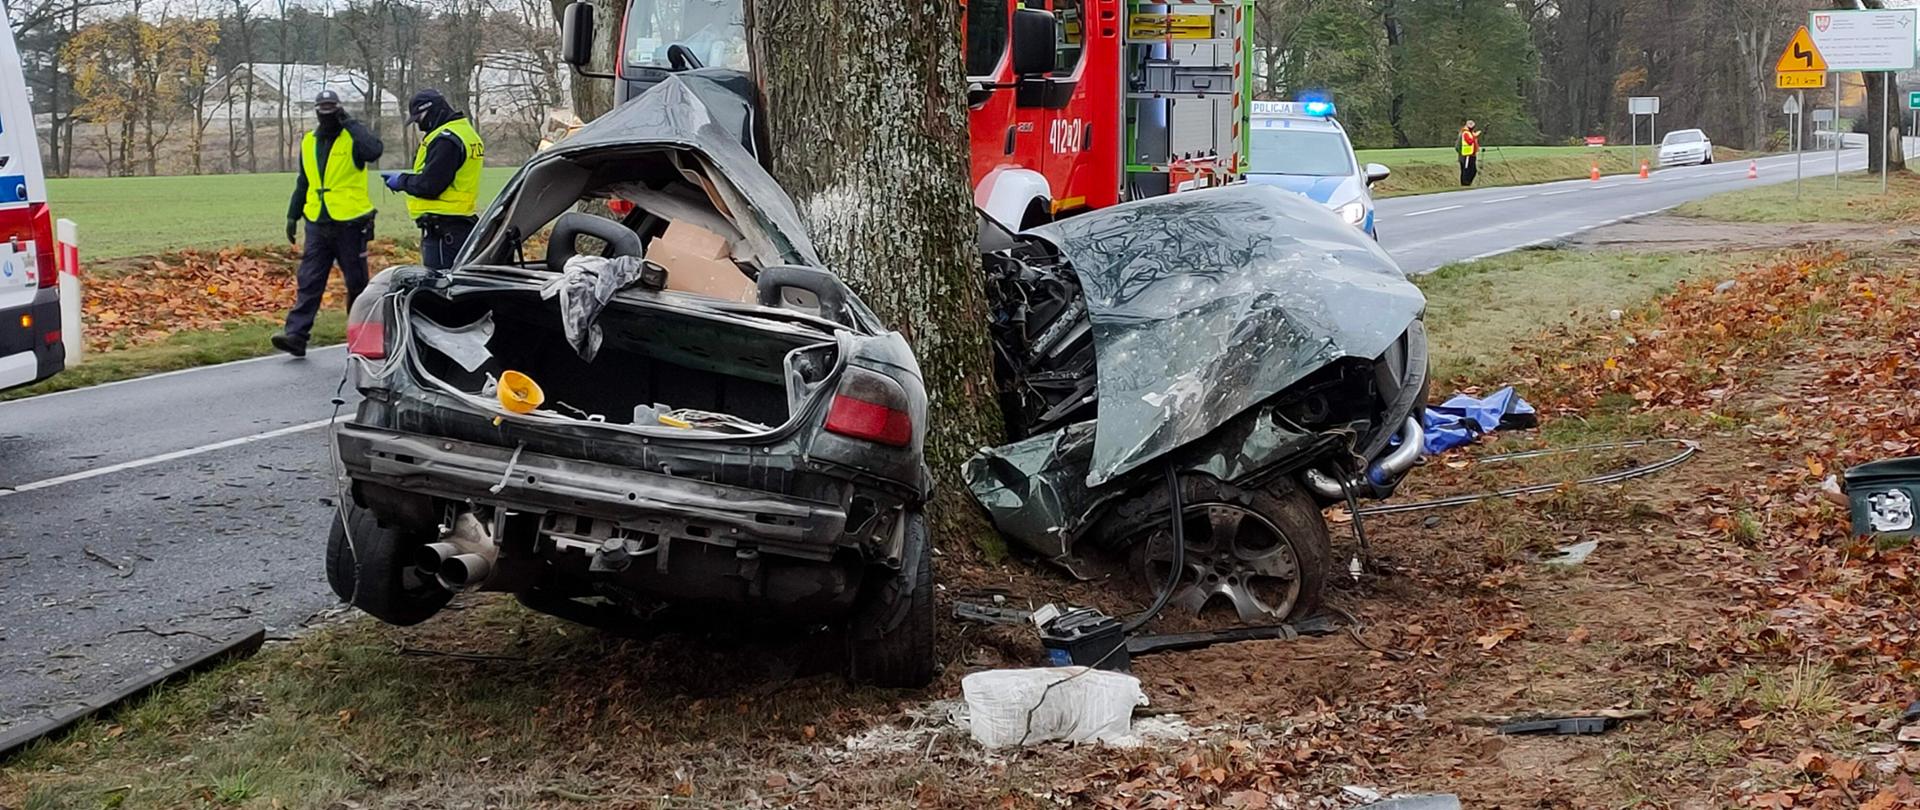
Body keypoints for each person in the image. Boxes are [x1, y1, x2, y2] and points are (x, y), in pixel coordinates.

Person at [274, 89, 383, 358]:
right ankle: (296, 336)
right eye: (322, 107)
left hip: (351, 223)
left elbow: (374, 151)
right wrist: (293, 214)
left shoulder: (352, 139)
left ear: (339, 109)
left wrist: (350, 123)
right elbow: (304, 181)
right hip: (317, 222)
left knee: (357, 284)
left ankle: (360, 340)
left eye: (331, 107)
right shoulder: (309, 141)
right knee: (309, 280)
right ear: (315, 110)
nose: (326, 112)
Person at [383, 89, 485, 270]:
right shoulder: (465, 132)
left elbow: (430, 185)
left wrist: (402, 181)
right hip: (459, 225)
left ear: (430, 111)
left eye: (419, 119)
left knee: (439, 290)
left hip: (443, 231)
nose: (420, 126)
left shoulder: (445, 140)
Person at [1458, 120, 1482, 187]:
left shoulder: (1471, 133)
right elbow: (1469, 141)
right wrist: (1476, 135)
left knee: (1473, 171)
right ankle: (1465, 184)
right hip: (1467, 155)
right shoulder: (1465, 133)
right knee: (1466, 170)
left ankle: (1468, 183)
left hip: (1472, 154)